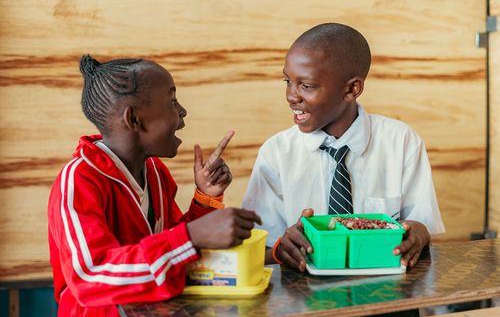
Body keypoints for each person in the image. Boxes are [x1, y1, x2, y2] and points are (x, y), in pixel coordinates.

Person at [47, 55, 261, 317]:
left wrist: (206, 200)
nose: (182, 111)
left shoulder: (155, 172)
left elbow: (170, 250)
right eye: (172, 101)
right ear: (134, 119)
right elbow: (90, 277)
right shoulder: (79, 180)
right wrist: (192, 236)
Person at [242, 22, 445, 272]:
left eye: (306, 86)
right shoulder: (276, 153)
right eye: (288, 81)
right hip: (306, 299)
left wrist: (417, 233)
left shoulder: (401, 142)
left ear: (351, 89)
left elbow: (422, 227)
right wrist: (281, 248)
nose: (292, 96)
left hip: (388, 295)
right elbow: (258, 248)